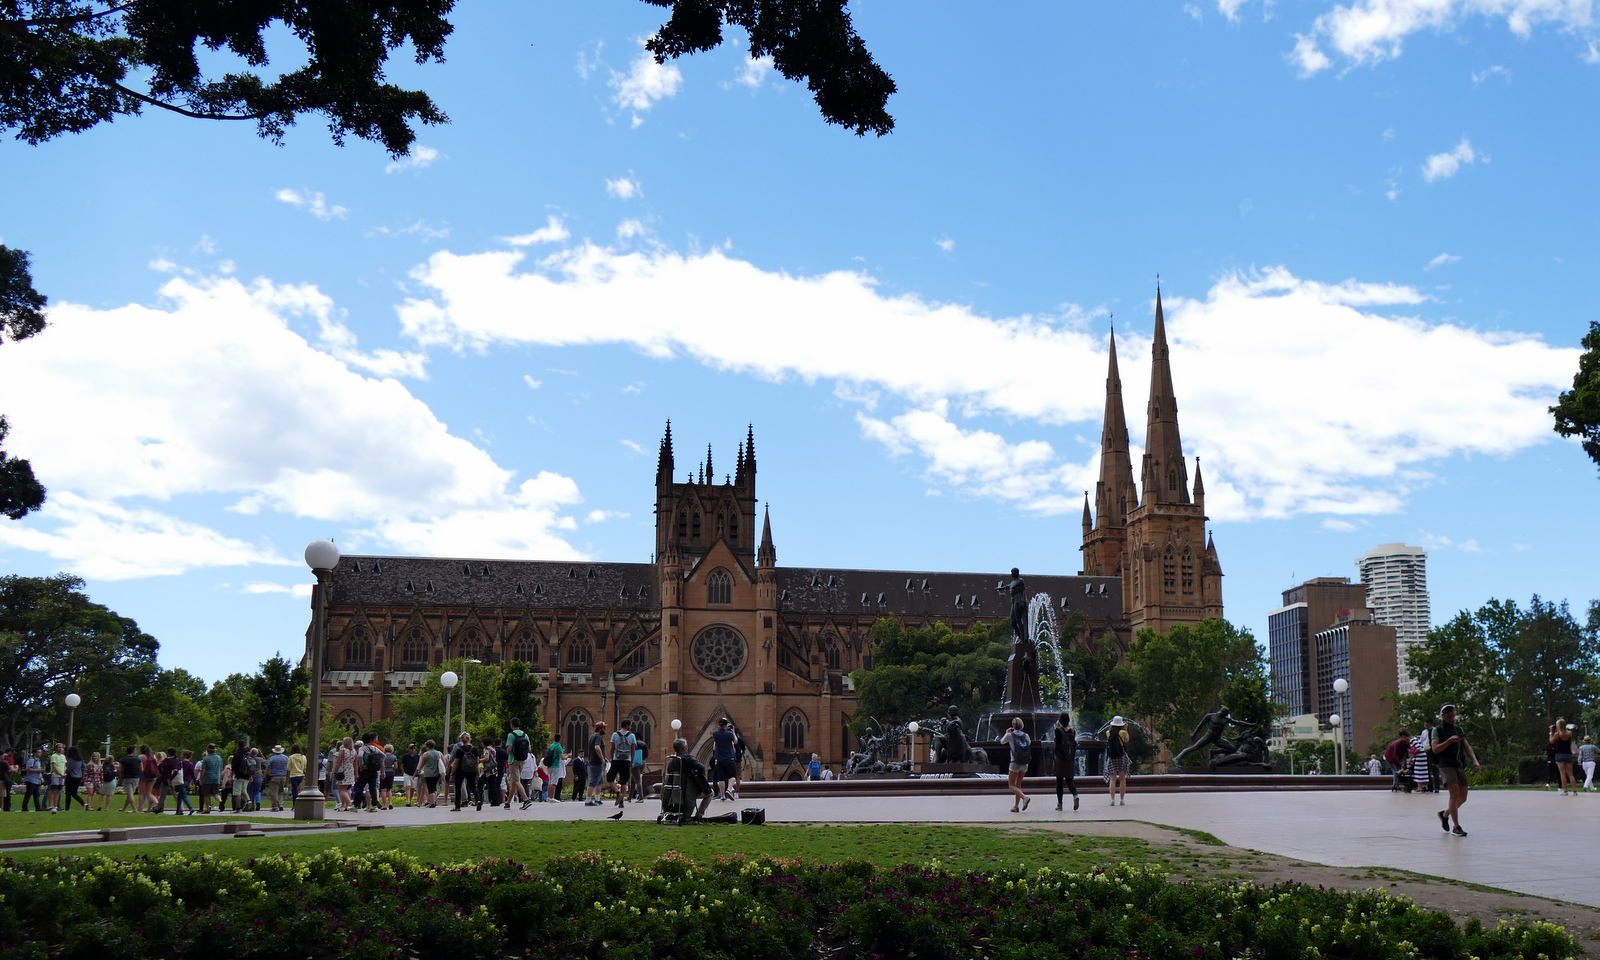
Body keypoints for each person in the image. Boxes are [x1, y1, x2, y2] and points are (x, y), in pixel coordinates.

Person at [1432, 703, 1481, 837]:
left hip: (1459, 764)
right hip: (1446, 764)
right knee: (1454, 794)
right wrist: (1449, 741)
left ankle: (1445, 814)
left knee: (1463, 796)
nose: (1451, 718)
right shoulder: (1438, 730)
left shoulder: (1458, 729)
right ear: (1443, 716)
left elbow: (1467, 746)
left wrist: (1475, 761)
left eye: (1452, 715)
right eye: (1448, 716)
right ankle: (1456, 826)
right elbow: (1435, 749)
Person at [664, 737, 713, 822]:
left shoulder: (671, 761)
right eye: (686, 746)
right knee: (710, 793)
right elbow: (702, 768)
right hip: (688, 791)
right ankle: (699, 815)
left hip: (675, 792)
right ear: (684, 748)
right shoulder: (688, 759)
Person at [1000, 717, 1031, 812]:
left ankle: (1024, 798)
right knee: (1018, 785)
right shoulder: (1026, 735)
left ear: (1013, 726)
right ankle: (1016, 806)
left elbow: (1002, 742)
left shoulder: (1010, 735)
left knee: (1011, 785)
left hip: (1015, 762)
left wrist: (1007, 733)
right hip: (1025, 763)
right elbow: (1029, 743)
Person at [608, 719, 636, 809]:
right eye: (630, 725)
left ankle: (617, 793)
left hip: (616, 759)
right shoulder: (631, 736)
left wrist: (612, 758)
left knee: (610, 778)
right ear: (627, 726)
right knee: (624, 782)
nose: (630, 727)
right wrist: (631, 761)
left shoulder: (615, 734)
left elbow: (612, 748)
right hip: (626, 760)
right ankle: (621, 802)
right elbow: (633, 750)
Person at [1052, 712, 1078, 811]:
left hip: (1060, 759)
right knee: (1069, 781)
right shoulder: (1073, 731)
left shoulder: (1058, 731)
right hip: (1070, 759)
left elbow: (1056, 743)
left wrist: (1058, 727)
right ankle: (1075, 795)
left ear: (1060, 721)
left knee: (1059, 782)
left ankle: (1060, 804)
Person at [504, 719, 532, 808]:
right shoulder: (525, 735)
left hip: (513, 760)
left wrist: (506, 755)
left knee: (516, 780)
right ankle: (508, 803)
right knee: (514, 782)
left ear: (511, 725)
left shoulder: (511, 735)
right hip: (522, 760)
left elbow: (509, 749)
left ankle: (526, 799)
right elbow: (529, 749)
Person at [449, 732, 481, 811]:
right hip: (471, 770)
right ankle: (478, 800)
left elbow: (456, 763)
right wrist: (476, 768)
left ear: (461, 740)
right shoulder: (474, 749)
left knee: (458, 787)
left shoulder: (459, 750)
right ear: (469, 739)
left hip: (461, 770)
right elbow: (477, 760)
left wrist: (452, 773)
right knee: (473, 786)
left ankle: (457, 806)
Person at [1104, 716, 1131, 806]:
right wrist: (1126, 729)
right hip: (1121, 756)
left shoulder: (1108, 733)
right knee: (1122, 779)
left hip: (1112, 758)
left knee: (1112, 779)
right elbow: (1127, 740)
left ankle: (1112, 799)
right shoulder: (1122, 732)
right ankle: (1122, 799)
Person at [710, 717, 737, 802]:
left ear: (719, 725)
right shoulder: (729, 734)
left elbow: (715, 744)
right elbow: (735, 741)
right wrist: (733, 732)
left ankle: (722, 796)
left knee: (721, 778)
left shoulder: (715, 733)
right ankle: (729, 789)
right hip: (729, 758)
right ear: (726, 725)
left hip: (719, 758)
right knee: (732, 776)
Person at [584, 721, 608, 806]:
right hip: (596, 763)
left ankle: (597, 798)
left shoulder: (592, 736)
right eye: (604, 728)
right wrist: (602, 758)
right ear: (600, 728)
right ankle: (588, 800)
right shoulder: (598, 737)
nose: (605, 729)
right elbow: (597, 747)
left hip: (595, 762)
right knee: (593, 781)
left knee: (600, 781)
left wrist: (604, 758)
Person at [1551, 721, 1576, 795]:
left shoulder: (1557, 734)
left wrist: (1550, 732)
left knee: (1563, 773)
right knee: (1571, 774)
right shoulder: (1569, 733)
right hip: (1568, 754)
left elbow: (1551, 741)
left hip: (1560, 754)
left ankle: (1565, 790)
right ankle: (1574, 790)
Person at [198, 744, 223, 813]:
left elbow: (203, 770)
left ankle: (208, 808)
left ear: (208, 750)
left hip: (208, 778)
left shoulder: (206, 759)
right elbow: (221, 768)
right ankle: (221, 802)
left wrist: (201, 779)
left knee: (207, 794)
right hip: (216, 777)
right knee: (215, 793)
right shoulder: (219, 758)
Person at [418, 739, 443, 807]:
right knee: (434, 787)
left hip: (428, 773)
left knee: (430, 788)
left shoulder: (425, 754)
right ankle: (434, 801)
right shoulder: (439, 753)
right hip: (437, 773)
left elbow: (422, 764)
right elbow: (444, 762)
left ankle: (431, 803)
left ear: (428, 746)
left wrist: (419, 769)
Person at [333, 737, 356, 811]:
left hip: (342, 770)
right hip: (350, 770)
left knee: (341, 790)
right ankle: (344, 806)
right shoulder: (354, 751)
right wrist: (356, 774)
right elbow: (355, 764)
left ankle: (349, 803)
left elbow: (338, 762)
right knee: (346, 789)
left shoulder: (342, 750)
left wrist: (334, 771)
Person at [266, 745, 291, 811]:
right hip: (283, 776)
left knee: (274, 792)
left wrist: (265, 775)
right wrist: (288, 777)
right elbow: (288, 768)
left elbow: (268, 768)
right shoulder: (286, 758)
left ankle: (275, 806)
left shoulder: (272, 758)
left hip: (274, 776)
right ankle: (281, 804)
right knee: (281, 791)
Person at [117, 745, 142, 812]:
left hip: (127, 777)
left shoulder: (123, 759)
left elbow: (120, 769)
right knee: (130, 793)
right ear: (133, 751)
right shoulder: (138, 759)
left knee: (130, 793)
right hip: (136, 777)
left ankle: (134, 809)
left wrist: (120, 777)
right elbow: (141, 769)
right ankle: (124, 808)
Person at [46, 742, 66, 812]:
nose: (61, 749)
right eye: (59, 747)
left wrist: (64, 773)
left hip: (62, 776)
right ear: (56, 748)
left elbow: (64, 765)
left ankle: (55, 805)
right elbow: (54, 767)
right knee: (53, 791)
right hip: (55, 775)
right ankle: (49, 805)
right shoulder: (54, 756)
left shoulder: (63, 756)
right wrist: (60, 774)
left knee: (58, 791)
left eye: (62, 747)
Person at [63, 746, 85, 811]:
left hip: (71, 777)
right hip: (78, 777)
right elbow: (84, 767)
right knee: (74, 793)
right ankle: (83, 803)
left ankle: (67, 808)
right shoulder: (81, 759)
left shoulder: (71, 760)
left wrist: (66, 772)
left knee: (68, 793)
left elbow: (69, 769)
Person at [22, 747, 44, 812]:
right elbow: (27, 769)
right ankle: (24, 807)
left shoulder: (38, 761)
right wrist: (38, 770)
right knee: (29, 793)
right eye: (39, 752)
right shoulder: (31, 760)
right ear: (35, 753)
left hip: (37, 780)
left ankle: (38, 807)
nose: (40, 753)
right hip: (31, 779)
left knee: (36, 794)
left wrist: (41, 777)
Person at [379, 744, 398, 810]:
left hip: (383, 772)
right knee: (389, 789)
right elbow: (395, 767)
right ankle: (390, 803)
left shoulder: (382, 756)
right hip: (391, 772)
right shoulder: (394, 757)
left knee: (383, 789)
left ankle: (384, 805)